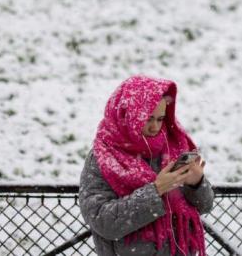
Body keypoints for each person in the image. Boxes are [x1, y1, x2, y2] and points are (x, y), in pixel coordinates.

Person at [79, 75, 214, 256]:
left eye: (160, 119)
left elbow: (205, 206)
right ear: (127, 115)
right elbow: (102, 220)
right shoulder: (103, 155)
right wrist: (155, 190)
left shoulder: (172, 145)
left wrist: (196, 184)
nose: (155, 127)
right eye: (148, 119)